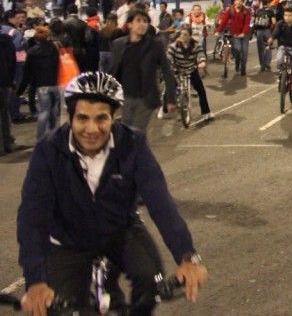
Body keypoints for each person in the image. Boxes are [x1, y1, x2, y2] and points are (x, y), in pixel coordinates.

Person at [16, 73, 208, 314]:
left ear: (114, 116)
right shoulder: (48, 150)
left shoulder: (133, 143)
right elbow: (32, 216)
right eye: (82, 118)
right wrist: (35, 280)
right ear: (70, 117)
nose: (91, 129)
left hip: (120, 230)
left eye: (101, 118)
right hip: (68, 241)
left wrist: (187, 256)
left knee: (151, 283)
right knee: (59, 307)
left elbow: (161, 202)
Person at [109, 9, 175, 133]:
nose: (142, 24)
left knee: (136, 132)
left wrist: (170, 98)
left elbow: (167, 70)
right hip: (125, 97)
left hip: (146, 98)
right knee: (126, 132)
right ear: (129, 24)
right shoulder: (119, 45)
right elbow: (113, 72)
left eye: (145, 21)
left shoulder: (155, 45)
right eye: (138, 20)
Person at [22, 26, 61, 143]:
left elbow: (27, 71)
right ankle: (53, 134)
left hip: (41, 84)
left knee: (44, 111)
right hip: (55, 82)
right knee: (54, 110)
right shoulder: (54, 48)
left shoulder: (32, 51)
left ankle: (40, 138)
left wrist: (21, 89)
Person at [166, 29, 212, 121]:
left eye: (185, 34)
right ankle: (166, 110)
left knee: (201, 91)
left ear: (190, 36)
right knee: (170, 90)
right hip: (178, 71)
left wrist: (202, 61)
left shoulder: (196, 45)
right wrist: (168, 64)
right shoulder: (174, 46)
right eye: (181, 34)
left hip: (191, 70)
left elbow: (201, 54)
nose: (182, 36)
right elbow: (168, 56)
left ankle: (206, 112)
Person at [270, 8, 292, 103]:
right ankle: (281, 75)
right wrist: (270, 41)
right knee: (279, 59)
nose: (287, 17)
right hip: (283, 47)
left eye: (290, 15)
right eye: (285, 15)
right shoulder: (280, 24)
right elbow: (275, 33)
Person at [215, 0, 251, 76]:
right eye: (237, 0)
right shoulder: (230, 10)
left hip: (245, 35)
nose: (238, 2)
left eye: (240, 1)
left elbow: (247, 24)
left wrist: (243, 33)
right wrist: (218, 31)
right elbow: (223, 21)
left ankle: (243, 68)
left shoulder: (246, 11)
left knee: (244, 52)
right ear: (235, 1)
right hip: (235, 35)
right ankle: (237, 64)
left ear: (243, 2)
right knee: (238, 50)